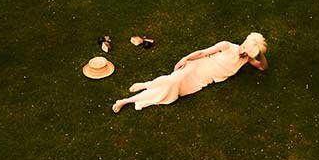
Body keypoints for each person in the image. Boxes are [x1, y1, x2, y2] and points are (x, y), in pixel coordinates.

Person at [112, 32, 266, 113]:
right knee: (171, 83)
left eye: (247, 53)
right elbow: (203, 53)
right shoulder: (227, 46)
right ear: (244, 43)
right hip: (197, 67)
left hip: (203, 79)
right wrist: (186, 58)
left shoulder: (247, 58)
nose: (243, 53)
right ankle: (127, 100)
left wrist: (261, 54)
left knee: (172, 95)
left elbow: (262, 67)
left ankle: (147, 85)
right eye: (244, 49)